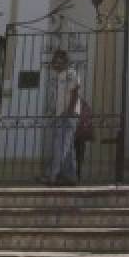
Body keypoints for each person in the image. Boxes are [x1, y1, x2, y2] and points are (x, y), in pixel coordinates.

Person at [44, 49, 81, 186]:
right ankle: (71, 177)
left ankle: (52, 175)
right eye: (54, 61)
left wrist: (69, 111)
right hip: (60, 115)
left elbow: (75, 92)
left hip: (68, 115)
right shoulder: (58, 77)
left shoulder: (71, 74)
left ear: (65, 62)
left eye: (58, 61)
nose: (55, 64)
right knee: (68, 147)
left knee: (59, 146)